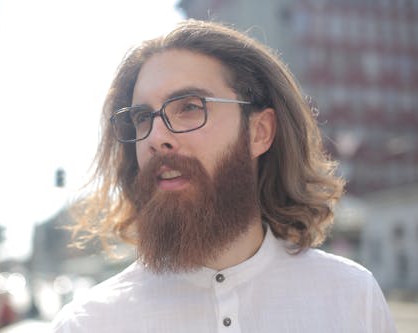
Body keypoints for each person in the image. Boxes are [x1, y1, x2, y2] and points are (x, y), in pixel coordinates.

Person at [52, 20, 396, 332]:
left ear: (260, 131)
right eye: (143, 118)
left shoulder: (352, 297)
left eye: (188, 107)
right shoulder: (89, 323)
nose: (156, 138)